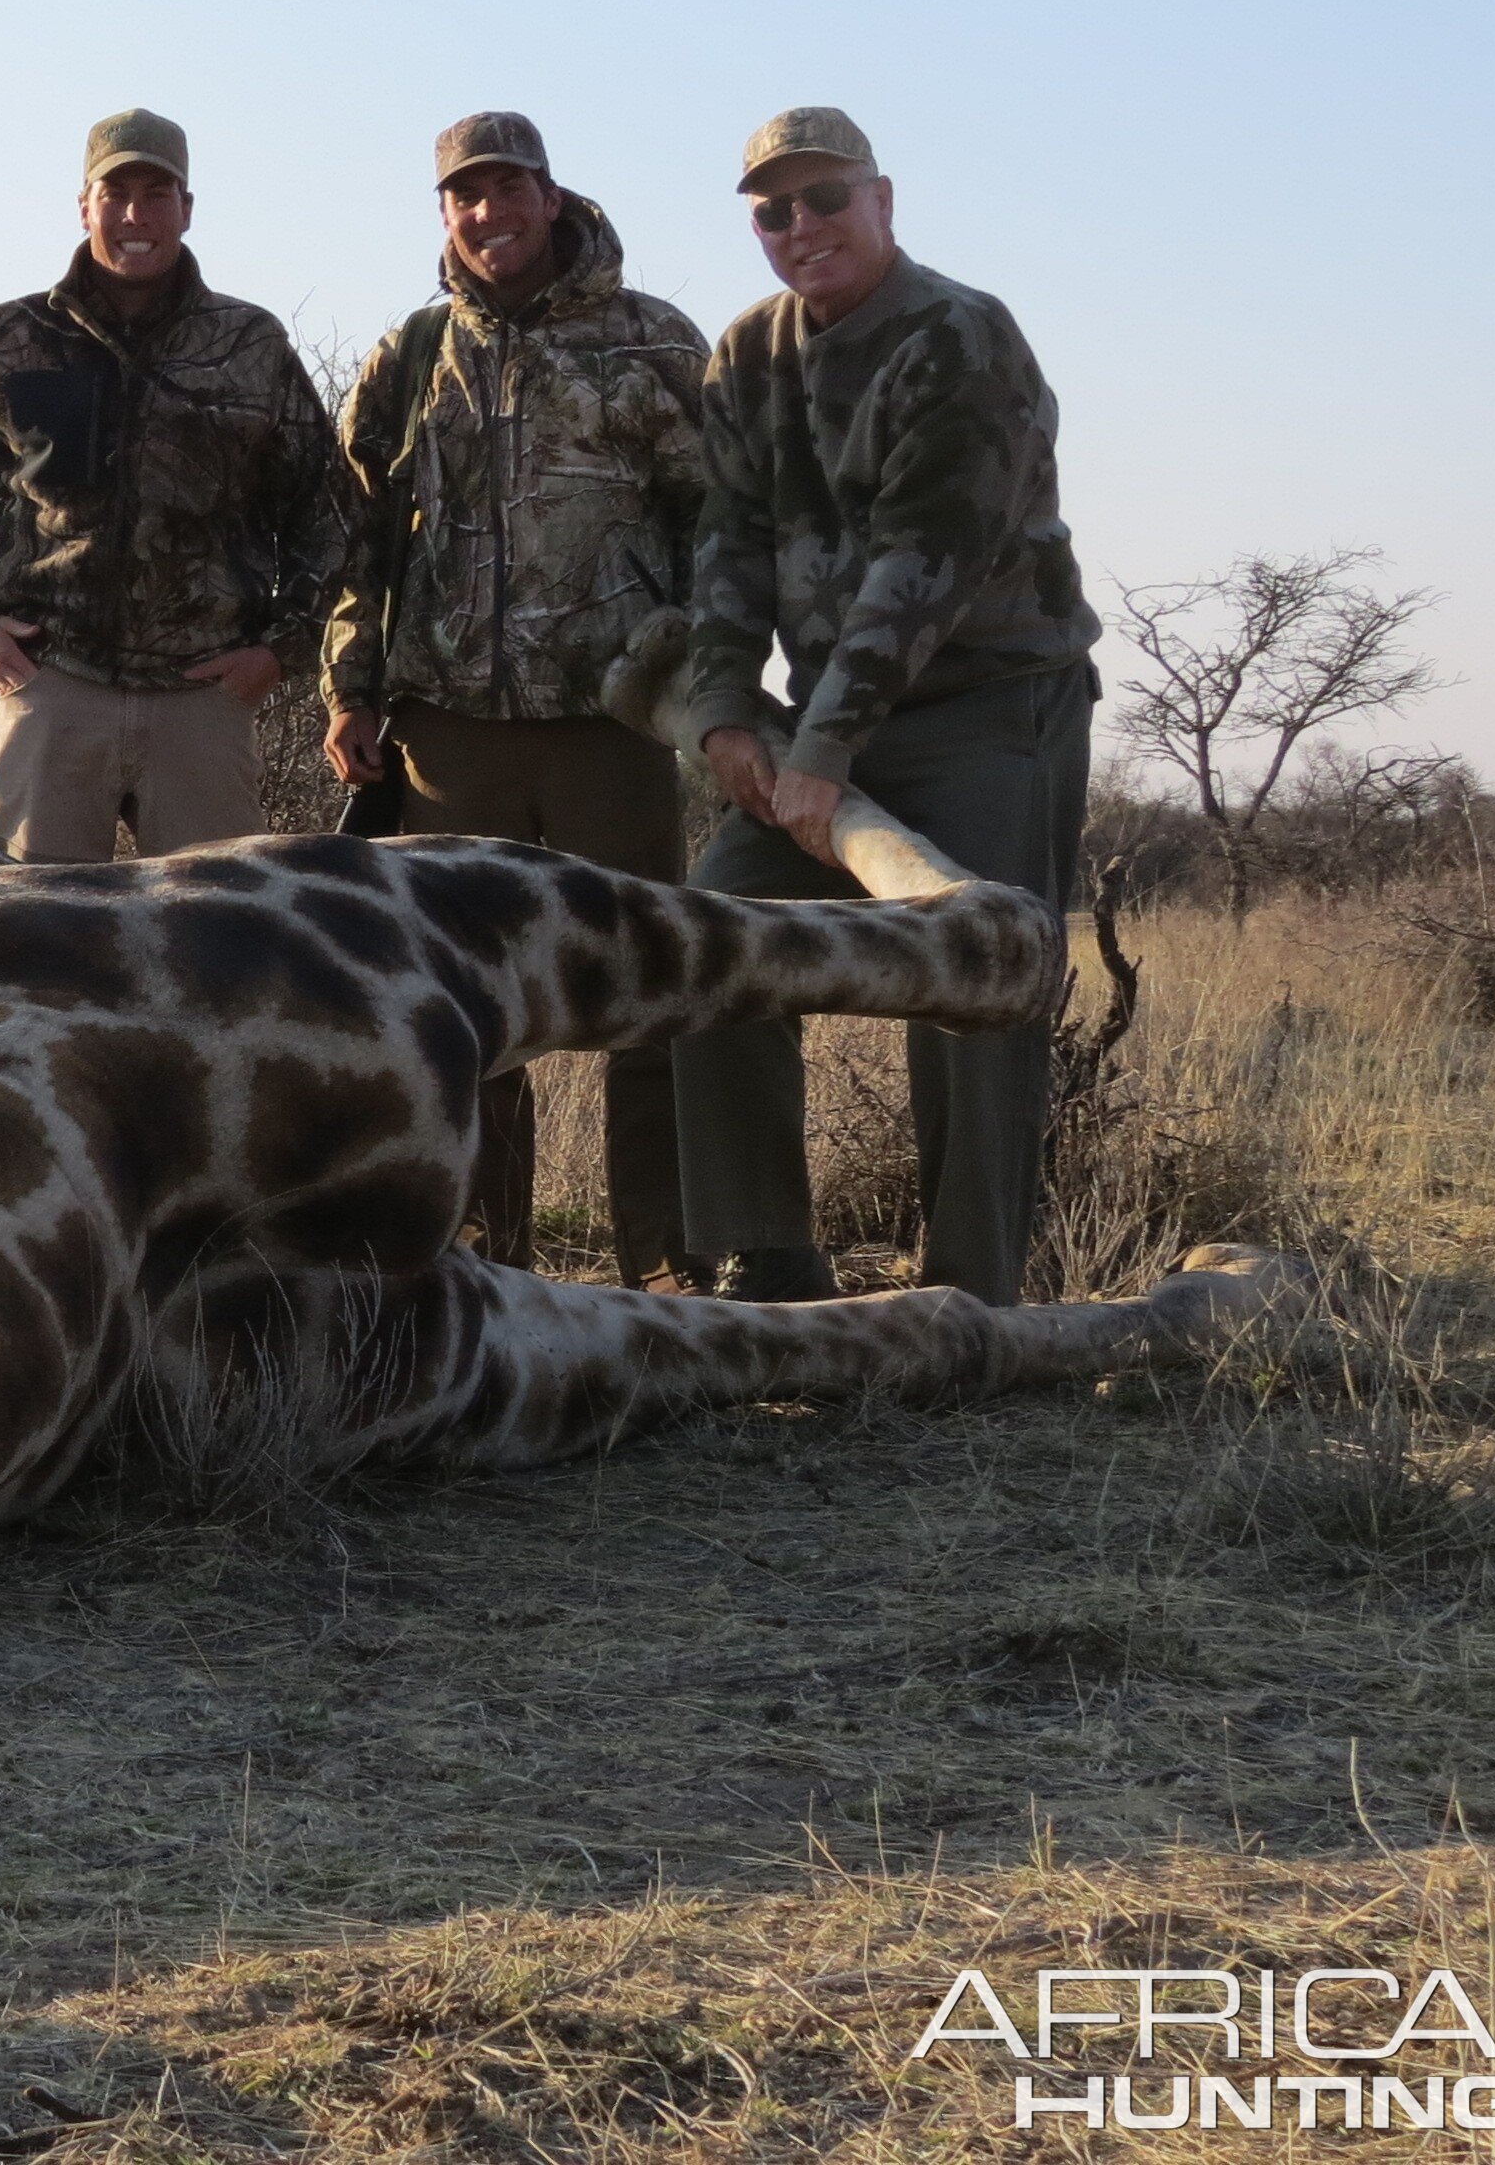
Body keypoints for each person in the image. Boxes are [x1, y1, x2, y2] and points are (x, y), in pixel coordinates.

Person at [660, 108, 1105, 1306]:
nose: (799, 228)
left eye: (823, 201)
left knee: (976, 977)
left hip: (991, 709)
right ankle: (770, 1265)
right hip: (829, 727)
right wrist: (721, 714)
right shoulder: (746, 353)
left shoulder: (962, 336)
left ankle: (971, 1303)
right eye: (771, 212)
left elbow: (925, 567)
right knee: (716, 930)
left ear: (883, 201)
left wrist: (821, 747)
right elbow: (729, 543)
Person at [322, 110, 710, 1290]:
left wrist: (704, 680)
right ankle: (487, 1273)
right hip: (452, 734)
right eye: (463, 196)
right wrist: (352, 686)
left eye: (507, 189)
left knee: (649, 995)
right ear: (444, 214)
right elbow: (358, 534)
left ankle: (670, 1271)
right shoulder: (413, 351)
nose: (486, 213)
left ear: (551, 196)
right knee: (467, 1017)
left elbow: (724, 525)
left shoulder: (654, 343)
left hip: (614, 726)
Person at [0, 108, 346, 860]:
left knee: (218, 940)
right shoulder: (7, 337)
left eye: (157, 194)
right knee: (30, 939)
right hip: (50, 688)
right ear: (84, 206)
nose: (135, 215)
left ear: (187, 209)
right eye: (116, 193)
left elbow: (325, 511)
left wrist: (281, 648)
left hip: (206, 697)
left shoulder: (250, 343)